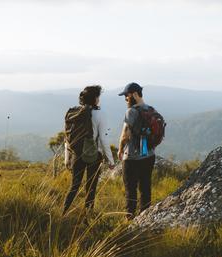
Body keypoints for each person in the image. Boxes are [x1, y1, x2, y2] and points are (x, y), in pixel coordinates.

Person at [62, 85, 115, 215]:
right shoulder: (100, 114)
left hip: (77, 154)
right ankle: (87, 217)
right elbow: (103, 139)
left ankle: (63, 213)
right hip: (93, 155)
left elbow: (68, 138)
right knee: (91, 187)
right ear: (95, 98)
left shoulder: (74, 113)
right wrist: (110, 160)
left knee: (74, 186)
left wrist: (67, 158)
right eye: (98, 96)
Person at [117, 82, 156, 219]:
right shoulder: (151, 110)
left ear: (134, 94)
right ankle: (145, 218)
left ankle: (130, 220)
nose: (126, 99)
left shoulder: (131, 111)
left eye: (127, 96)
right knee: (146, 188)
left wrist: (120, 150)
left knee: (130, 190)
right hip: (149, 156)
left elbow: (125, 135)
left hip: (132, 158)